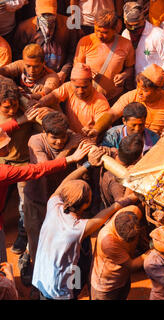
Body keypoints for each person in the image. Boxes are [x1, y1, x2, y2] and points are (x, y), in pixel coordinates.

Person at [32, 148, 141, 300]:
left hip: (42, 275)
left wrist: (88, 164)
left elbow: (65, 183)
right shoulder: (75, 228)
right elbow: (103, 216)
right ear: (86, 204)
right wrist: (129, 199)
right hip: (58, 288)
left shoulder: (54, 205)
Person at [0, 135, 91, 263]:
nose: (9, 146)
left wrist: (19, 121)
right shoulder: (3, 172)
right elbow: (35, 170)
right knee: (2, 267)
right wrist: (71, 158)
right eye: (3, 146)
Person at [20, 112, 82, 287]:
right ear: (45, 133)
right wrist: (69, 149)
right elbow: (46, 168)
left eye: (63, 137)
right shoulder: (35, 141)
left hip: (61, 201)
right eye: (54, 138)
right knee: (36, 241)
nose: (59, 141)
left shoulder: (72, 137)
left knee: (63, 242)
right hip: (37, 199)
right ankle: (37, 282)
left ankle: (62, 281)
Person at [0, 77, 37, 256]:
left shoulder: (25, 108)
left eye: (14, 105)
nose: (12, 110)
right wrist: (22, 119)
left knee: (24, 204)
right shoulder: (23, 115)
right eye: (6, 107)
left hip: (22, 163)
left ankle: (22, 235)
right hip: (1, 164)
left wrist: (26, 103)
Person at [109, 64, 164, 136]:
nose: (139, 92)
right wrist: (96, 130)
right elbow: (111, 114)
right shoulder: (131, 96)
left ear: (158, 90)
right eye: (138, 87)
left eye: (145, 90)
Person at [74, 9, 135, 103]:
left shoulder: (126, 45)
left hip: (114, 99)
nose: (99, 35)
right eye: (97, 30)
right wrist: (86, 72)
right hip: (89, 99)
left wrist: (124, 75)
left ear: (115, 29)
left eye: (105, 32)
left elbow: (130, 68)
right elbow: (76, 68)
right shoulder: (85, 42)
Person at [34, 62, 111, 135]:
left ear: (91, 83)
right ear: (71, 82)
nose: (80, 91)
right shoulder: (68, 86)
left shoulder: (100, 101)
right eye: (77, 87)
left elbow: (103, 121)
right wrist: (40, 103)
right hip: (69, 134)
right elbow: (54, 96)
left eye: (84, 87)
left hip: (87, 142)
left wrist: (94, 130)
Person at [90, 205, 149, 300]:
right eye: (126, 240)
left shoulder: (134, 211)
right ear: (116, 231)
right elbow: (131, 265)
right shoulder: (108, 242)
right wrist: (152, 251)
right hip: (107, 286)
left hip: (122, 278)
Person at [13, 0, 78, 83]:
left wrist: (64, 72)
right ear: (36, 11)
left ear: (56, 11)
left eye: (50, 14)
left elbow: (73, 52)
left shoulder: (68, 26)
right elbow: (17, 54)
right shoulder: (25, 28)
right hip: (33, 77)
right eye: (43, 15)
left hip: (60, 76)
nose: (47, 18)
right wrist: (27, 71)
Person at [121, 2, 164, 81]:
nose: (134, 29)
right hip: (136, 86)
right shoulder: (125, 34)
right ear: (124, 22)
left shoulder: (158, 35)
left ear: (143, 19)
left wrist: (155, 79)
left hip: (156, 87)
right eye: (130, 26)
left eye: (137, 25)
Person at [100, 134, 144, 208]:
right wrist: (130, 181)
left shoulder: (111, 153)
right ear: (137, 159)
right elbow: (122, 205)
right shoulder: (117, 183)